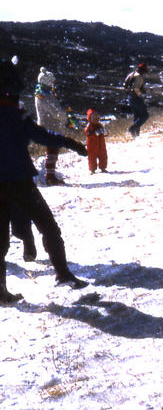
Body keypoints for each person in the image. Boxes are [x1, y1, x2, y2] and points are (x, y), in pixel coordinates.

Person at [0, 57, 90, 302]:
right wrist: (71, 143)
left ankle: (1, 292)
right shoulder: (15, 116)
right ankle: (63, 274)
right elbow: (44, 136)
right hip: (20, 181)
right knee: (48, 227)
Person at [124, 63, 149, 137]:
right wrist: (141, 95)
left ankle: (135, 135)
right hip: (136, 98)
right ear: (143, 70)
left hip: (130, 97)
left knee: (137, 116)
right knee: (145, 115)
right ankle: (132, 128)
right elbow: (136, 88)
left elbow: (125, 84)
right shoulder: (139, 77)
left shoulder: (131, 74)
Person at [84, 108, 108, 174]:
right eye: (94, 118)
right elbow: (87, 133)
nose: (96, 120)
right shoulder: (89, 126)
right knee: (92, 157)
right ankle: (92, 169)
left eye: (98, 118)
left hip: (101, 144)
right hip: (92, 145)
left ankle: (103, 167)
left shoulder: (100, 125)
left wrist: (105, 132)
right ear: (90, 119)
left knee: (103, 155)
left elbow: (105, 133)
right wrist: (94, 134)